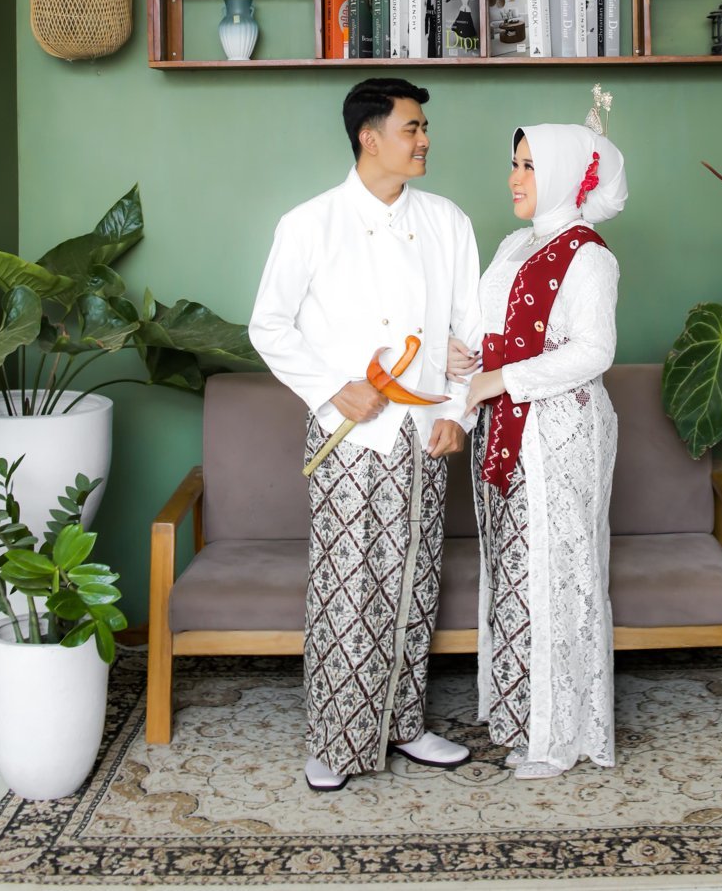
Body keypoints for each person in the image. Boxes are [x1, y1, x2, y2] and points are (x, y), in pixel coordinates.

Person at [249, 78, 481, 792]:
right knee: (347, 584)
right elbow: (268, 325)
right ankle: (335, 738)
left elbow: (470, 332)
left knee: (415, 580)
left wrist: (459, 413)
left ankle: (404, 724)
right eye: (413, 128)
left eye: (425, 127)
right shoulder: (309, 223)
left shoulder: (448, 221)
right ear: (369, 136)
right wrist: (331, 386)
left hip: (426, 430)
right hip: (349, 435)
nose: (425, 140)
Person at [451, 119, 627, 779]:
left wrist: (502, 379)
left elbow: (595, 350)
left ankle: (559, 736)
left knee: (556, 574)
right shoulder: (514, 244)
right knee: (516, 573)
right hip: (506, 430)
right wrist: (463, 354)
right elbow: (488, 330)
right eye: (515, 163)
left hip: (558, 437)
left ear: (560, 174)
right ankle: (519, 714)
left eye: (529, 166)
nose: (514, 178)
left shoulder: (589, 256)